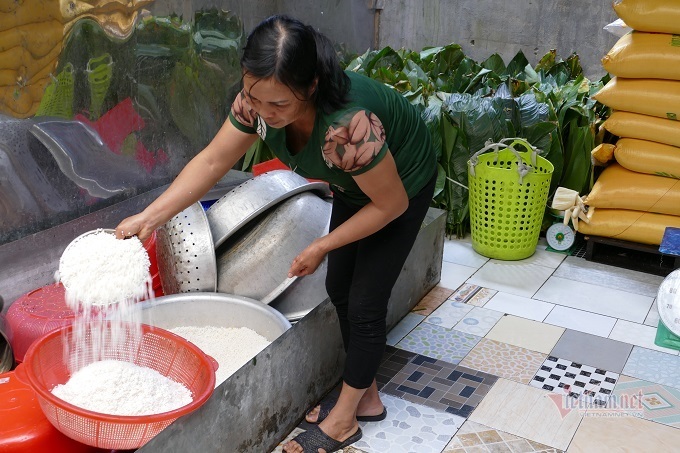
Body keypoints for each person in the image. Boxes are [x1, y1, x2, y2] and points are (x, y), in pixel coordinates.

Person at [116, 14, 437, 453]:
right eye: (255, 97)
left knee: (365, 302)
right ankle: (367, 397)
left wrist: (322, 244)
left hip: (400, 187)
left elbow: (390, 205)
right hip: (351, 184)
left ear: (312, 86)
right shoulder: (258, 99)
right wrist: (148, 219)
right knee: (340, 289)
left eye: (279, 106)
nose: (263, 114)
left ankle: (344, 421)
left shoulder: (348, 129)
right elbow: (213, 162)